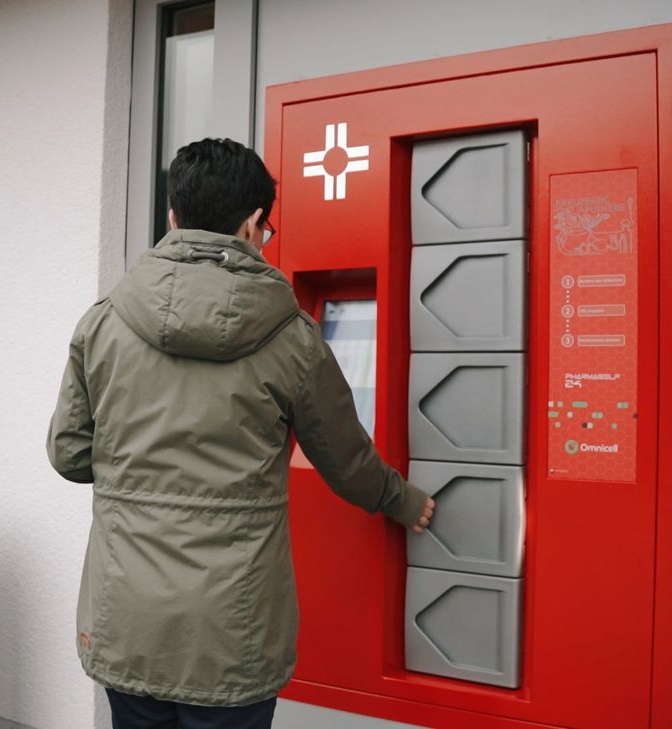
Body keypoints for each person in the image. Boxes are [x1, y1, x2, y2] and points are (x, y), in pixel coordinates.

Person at [46, 137, 434, 729]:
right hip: (233, 630)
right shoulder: (293, 339)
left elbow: (69, 454)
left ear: (173, 217)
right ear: (254, 225)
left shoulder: (102, 324)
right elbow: (347, 463)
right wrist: (403, 501)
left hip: (129, 617)